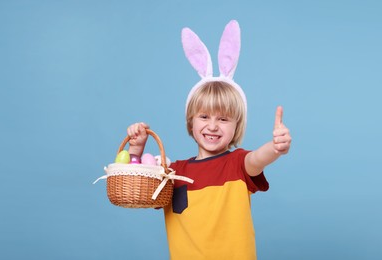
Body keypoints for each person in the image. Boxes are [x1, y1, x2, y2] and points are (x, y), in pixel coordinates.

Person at [124, 20, 292, 260]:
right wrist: (136, 149)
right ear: (191, 122)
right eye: (204, 116)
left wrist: (275, 148)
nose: (212, 125)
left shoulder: (238, 164)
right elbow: (139, 186)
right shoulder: (173, 173)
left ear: (237, 126)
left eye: (223, 119)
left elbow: (258, 159)